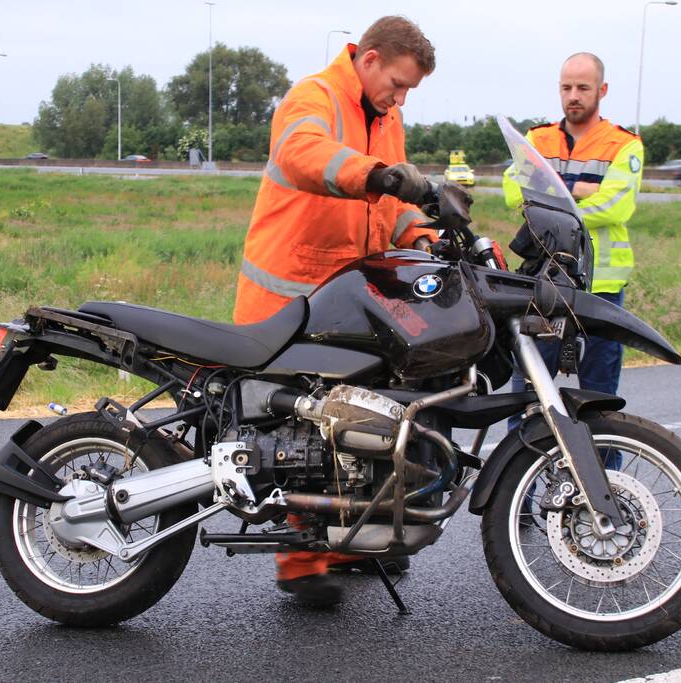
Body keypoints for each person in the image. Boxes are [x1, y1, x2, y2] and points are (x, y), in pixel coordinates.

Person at [233, 16, 438, 607]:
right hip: (290, 298)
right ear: (369, 58)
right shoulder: (313, 96)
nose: (400, 98)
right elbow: (303, 154)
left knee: (350, 421)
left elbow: (393, 202)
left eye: (408, 91)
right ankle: (301, 563)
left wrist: (423, 231)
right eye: (397, 83)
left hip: (349, 299)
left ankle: (347, 539)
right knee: (299, 431)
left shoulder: (387, 116)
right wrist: (374, 174)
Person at [503, 52, 643, 455]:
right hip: (546, 283)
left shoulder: (624, 144)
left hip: (601, 287)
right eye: (566, 87)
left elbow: (616, 206)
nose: (573, 96)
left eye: (583, 87)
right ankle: (521, 508)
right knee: (528, 401)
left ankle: (607, 500)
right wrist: (579, 189)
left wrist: (552, 189)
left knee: (600, 404)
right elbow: (516, 192)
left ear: (602, 90)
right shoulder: (537, 138)